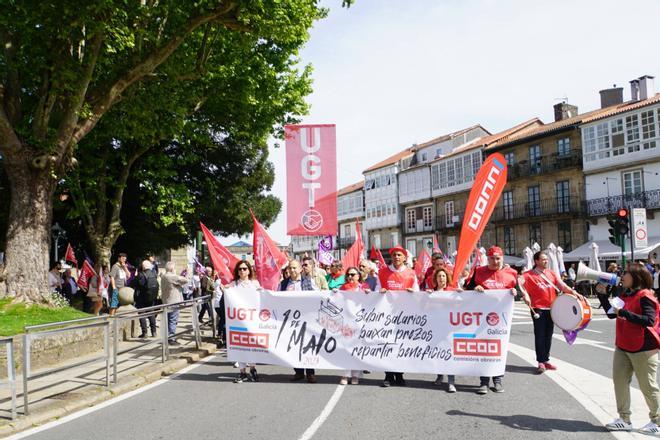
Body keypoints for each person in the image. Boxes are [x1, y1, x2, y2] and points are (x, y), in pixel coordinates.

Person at [598, 263, 660, 434]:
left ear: (636, 276)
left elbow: (649, 320)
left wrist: (623, 313)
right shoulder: (626, 294)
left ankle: (658, 421)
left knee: (648, 386)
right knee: (620, 382)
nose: (622, 276)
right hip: (623, 345)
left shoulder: (645, 295)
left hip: (644, 347)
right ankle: (624, 419)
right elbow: (612, 313)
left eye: (625, 273)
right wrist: (602, 296)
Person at [466, 245, 518, 394]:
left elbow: (519, 292)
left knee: (499, 349)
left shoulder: (512, 273)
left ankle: (497, 379)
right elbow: (467, 289)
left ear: (502, 258)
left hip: (502, 319)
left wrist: (516, 292)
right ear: (487, 259)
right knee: (484, 350)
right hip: (482, 319)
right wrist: (475, 288)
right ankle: (483, 381)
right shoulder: (479, 272)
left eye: (498, 258)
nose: (495, 261)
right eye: (492, 259)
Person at [519, 251, 580, 374]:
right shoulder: (528, 275)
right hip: (538, 308)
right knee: (540, 335)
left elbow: (561, 285)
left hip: (552, 308)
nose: (546, 261)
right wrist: (525, 294)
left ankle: (546, 359)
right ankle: (540, 361)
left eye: (547, 259)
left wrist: (574, 293)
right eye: (543, 260)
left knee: (548, 335)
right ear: (536, 261)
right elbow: (519, 282)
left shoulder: (551, 273)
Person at [378, 245, 419, 387]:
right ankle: (388, 375)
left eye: (399, 255)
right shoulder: (383, 272)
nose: (396, 257)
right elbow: (375, 292)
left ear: (404, 257)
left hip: (405, 316)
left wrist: (412, 294)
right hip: (387, 315)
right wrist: (380, 292)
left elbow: (418, 293)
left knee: (401, 345)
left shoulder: (411, 273)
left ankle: (400, 375)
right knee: (388, 345)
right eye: (394, 255)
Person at [281, 259, 319, 383]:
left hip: (306, 319)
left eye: (294, 268)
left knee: (307, 346)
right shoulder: (283, 284)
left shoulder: (308, 281)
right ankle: (298, 372)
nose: (292, 270)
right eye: (290, 268)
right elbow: (276, 297)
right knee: (293, 345)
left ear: (300, 269)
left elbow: (318, 294)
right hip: (290, 320)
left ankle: (310, 373)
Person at [227, 261, 262, 383]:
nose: (242, 271)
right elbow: (225, 295)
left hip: (251, 320)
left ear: (249, 270)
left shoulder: (254, 284)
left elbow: (261, 298)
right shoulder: (233, 284)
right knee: (239, 346)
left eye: (244, 269)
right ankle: (242, 372)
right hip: (238, 321)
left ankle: (253, 369)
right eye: (240, 269)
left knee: (251, 345)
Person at [428, 267, 459, 393]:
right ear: (435, 279)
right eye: (439, 276)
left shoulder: (452, 291)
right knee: (438, 353)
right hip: (436, 329)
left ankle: (451, 382)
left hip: (449, 329)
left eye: (443, 276)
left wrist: (461, 294)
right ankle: (440, 375)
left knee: (449, 354)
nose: (441, 278)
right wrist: (427, 296)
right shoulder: (431, 292)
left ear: (447, 278)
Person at [160, 262, 189, 345]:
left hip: (166, 301)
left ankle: (168, 337)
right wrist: (186, 273)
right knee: (173, 320)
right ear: (172, 269)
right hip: (173, 301)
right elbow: (185, 280)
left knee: (168, 320)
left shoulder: (164, 276)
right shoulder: (172, 276)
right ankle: (171, 338)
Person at [133, 260, 159, 338]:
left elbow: (136, 284)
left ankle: (145, 333)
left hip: (142, 298)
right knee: (151, 314)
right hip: (151, 298)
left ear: (143, 266)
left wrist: (136, 276)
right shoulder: (154, 274)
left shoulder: (141, 275)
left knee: (142, 314)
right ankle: (154, 332)